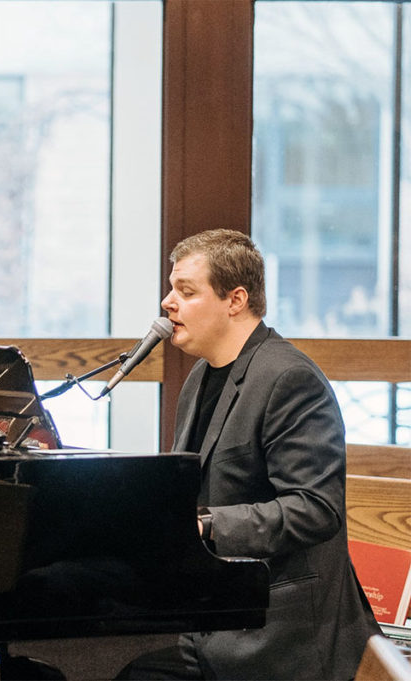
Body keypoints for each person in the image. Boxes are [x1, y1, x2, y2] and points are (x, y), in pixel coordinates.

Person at [118, 229, 380, 680]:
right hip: (212, 616)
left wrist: (204, 525)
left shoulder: (290, 379)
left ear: (235, 300)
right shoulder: (200, 376)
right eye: (170, 288)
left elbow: (315, 509)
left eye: (186, 290)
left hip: (278, 630)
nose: (167, 302)